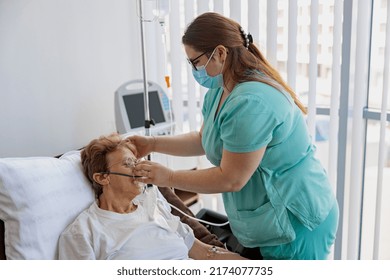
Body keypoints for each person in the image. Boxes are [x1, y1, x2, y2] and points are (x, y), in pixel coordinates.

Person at [129, 12, 339, 260]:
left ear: (219, 53)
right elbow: (203, 139)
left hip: (296, 223)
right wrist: (152, 143)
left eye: (195, 61)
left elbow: (230, 178)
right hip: (267, 219)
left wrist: (169, 176)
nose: (194, 69)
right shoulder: (220, 89)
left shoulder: (251, 102)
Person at [58, 133, 246, 260]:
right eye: (128, 163)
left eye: (137, 161)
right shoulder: (83, 233)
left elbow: (206, 254)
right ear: (102, 178)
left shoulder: (155, 205)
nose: (139, 168)